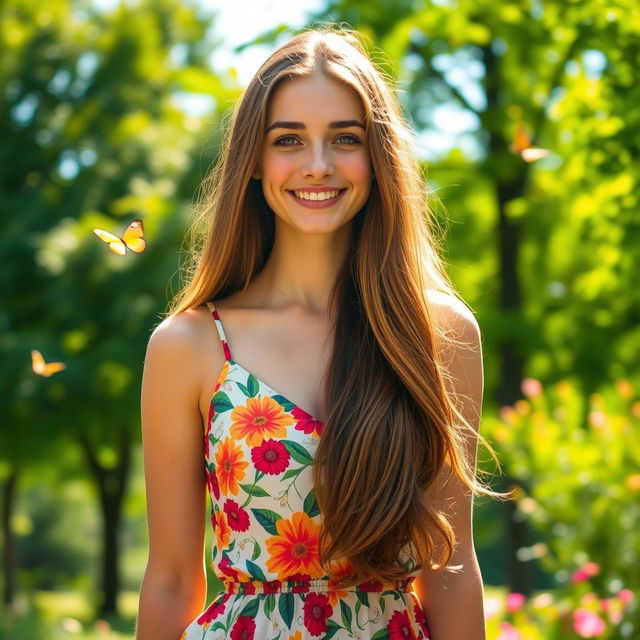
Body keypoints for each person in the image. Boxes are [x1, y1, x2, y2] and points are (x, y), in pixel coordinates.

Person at [136, 27, 489, 640]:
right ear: (253, 159)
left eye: (345, 139)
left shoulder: (440, 334)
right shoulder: (188, 346)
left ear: (378, 158)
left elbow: (450, 567)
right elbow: (170, 580)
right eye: (289, 139)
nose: (318, 165)